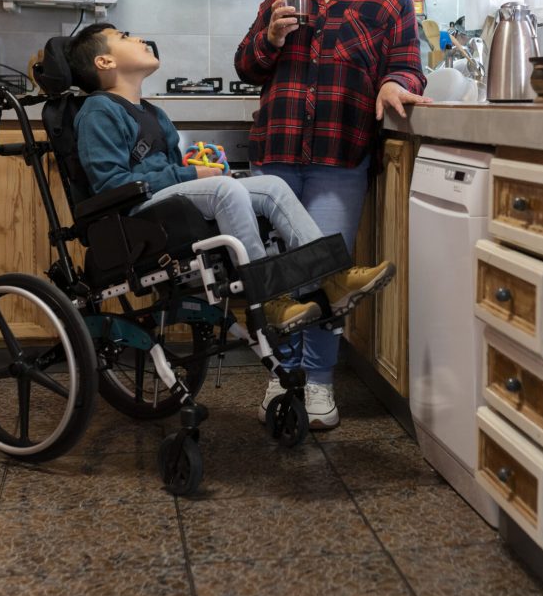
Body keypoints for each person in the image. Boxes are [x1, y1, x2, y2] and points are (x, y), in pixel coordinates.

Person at [67, 22, 395, 359]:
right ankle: (268, 301)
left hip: (165, 205)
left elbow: (175, 171)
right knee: (226, 190)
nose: (137, 38)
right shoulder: (98, 110)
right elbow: (110, 184)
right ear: (104, 62)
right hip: (134, 215)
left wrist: (193, 170)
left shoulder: (153, 113)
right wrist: (190, 173)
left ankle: (333, 277)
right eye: (123, 37)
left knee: (272, 186)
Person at [235, 0, 432, 429]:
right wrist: (270, 38)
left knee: (326, 273)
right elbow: (246, 64)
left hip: (339, 157)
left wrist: (394, 84)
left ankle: (318, 383)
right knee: (275, 273)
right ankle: (282, 373)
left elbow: (408, 64)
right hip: (275, 152)